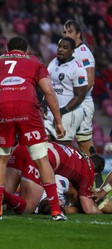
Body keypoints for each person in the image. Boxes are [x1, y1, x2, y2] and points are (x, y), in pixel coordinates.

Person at [0, 36, 67, 221]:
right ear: (25, 51)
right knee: (41, 160)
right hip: (27, 110)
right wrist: (58, 121)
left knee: (0, 159)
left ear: (8, 50)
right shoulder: (33, 61)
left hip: (3, 109)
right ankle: (56, 211)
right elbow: (48, 91)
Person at [4, 142, 104, 214]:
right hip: (41, 156)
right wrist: (101, 212)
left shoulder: (78, 153)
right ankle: (1, 193)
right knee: (26, 209)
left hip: (22, 146)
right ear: (95, 174)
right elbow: (88, 209)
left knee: (3, 202)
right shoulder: (89, 171)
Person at [45, 37, 88, 146]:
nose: (60, 49)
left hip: (68, 113)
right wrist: (43, 104)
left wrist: (62, 111)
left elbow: (80, 96)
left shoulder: (77, 68)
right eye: (59, 46)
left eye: (65, 47)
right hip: (52, 111)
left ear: (72, 51)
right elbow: (48, 87)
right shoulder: (53, 62)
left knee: (61, 148)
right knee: (45, 145)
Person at [62, 20, 96, 157]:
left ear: (78, 34)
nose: (66, 34)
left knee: (84, 143)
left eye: (70, 32)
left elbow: (90, 80)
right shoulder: (68, 51)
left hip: (81, 103)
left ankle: (95, 175)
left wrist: (76, 98)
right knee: (63, 140)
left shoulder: (83, 53)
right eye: (65, 32)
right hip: (70, 102)